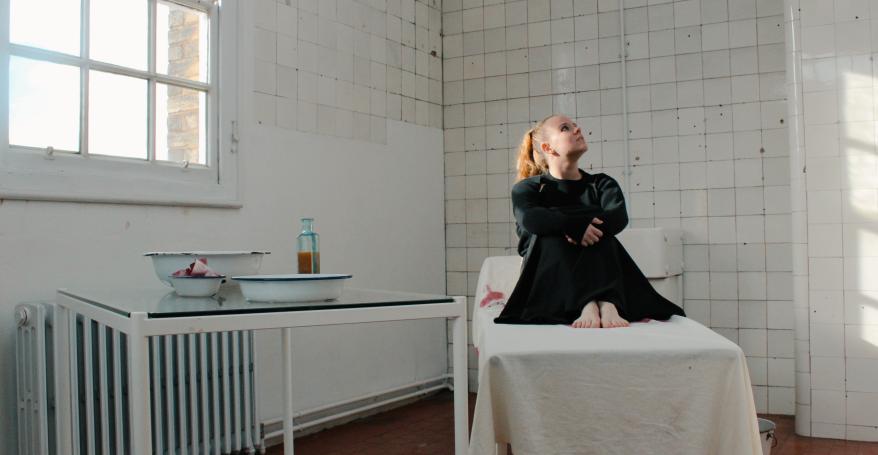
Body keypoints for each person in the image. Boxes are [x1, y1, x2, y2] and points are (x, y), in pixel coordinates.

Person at [494, 114, 685, 328]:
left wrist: (577, 225)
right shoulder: (528, 188)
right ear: (548, 148)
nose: (578, 129)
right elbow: (531, 219)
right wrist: (573, 226)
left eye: (576, 125)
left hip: (599, 266)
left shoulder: (601, 183)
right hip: (550, 277)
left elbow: (618, 217)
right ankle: (588, 302)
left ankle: (605, 302)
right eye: (566, 128)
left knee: (601, 233)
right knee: (552, 236)